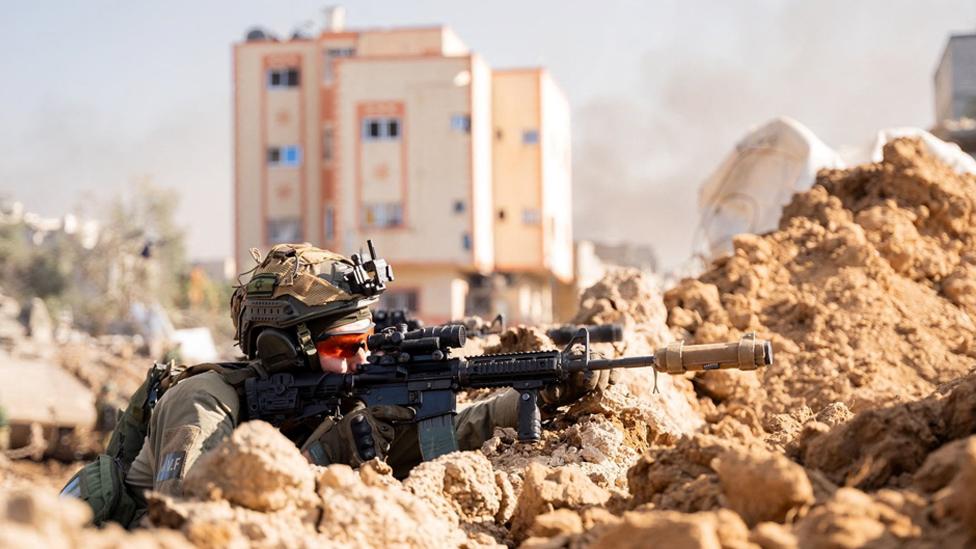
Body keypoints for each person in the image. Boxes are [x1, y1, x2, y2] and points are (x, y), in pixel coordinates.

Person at [62, 243, 611, 526]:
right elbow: (193, 516)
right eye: (344, 348)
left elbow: (443, 437)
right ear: (283, 349)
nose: (362, 359)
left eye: (366, 341)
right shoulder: (202, 401)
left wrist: (535, 392)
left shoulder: (337, 396)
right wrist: (328, 451)